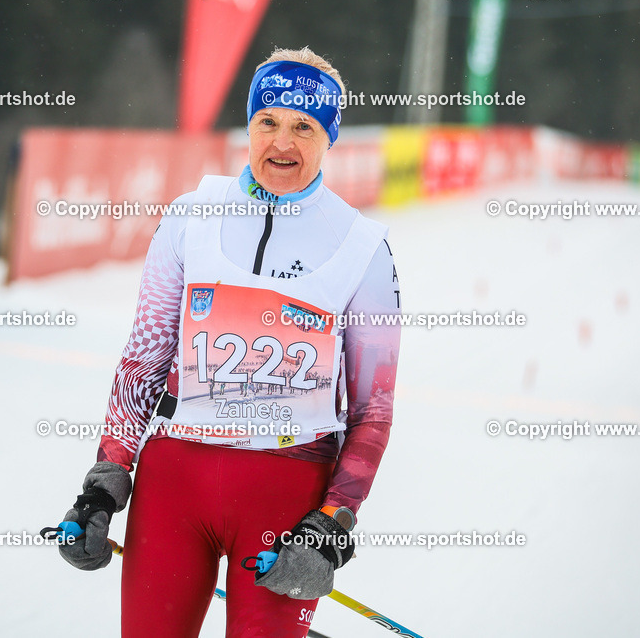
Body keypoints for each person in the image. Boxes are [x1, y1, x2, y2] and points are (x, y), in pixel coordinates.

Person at [57, 47, 401, 638]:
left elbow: (374, 411)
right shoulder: (191, 217)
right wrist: (106, 479)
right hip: (175, 487)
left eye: (304, 127)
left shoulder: (361, 247)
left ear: (329, 138)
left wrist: (332, 522)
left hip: (287, 497)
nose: (282, 143)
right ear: (249, 126)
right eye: (268, 122)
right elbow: (144, 359)